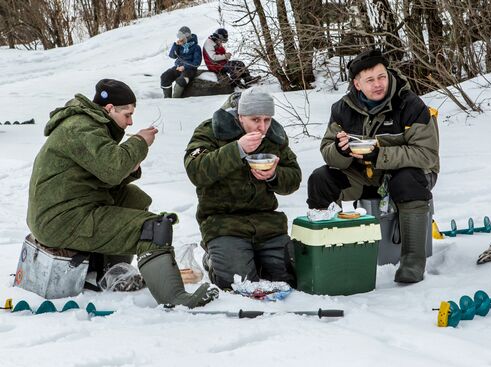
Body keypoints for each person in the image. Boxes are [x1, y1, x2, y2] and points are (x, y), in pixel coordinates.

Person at [26, 79, 218, 308]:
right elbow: (112, 169)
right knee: (153, 228)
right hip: (61, 219)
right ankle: (176, 299)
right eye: (127, 114)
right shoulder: (80, 127)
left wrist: (130, 165)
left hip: (67, 207)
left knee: (134, 197)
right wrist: (138, 142)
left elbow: (102, 175)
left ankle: (112, 273)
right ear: (109, 109)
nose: (130, 121)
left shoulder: (88, 124)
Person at [307, 49, 440, 283]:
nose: (378, 84)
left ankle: (412, 261)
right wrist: (341, 150)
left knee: (406, 178)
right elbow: (328, 151)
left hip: (413, 176)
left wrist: (380, 155)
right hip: (364, 176)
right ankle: (327, 252)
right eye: (370, 80)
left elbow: (426, 155)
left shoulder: (410, 105)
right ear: (357, 84)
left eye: (382, 77)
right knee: (321, 179)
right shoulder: (342, 109)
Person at [184, 88, 301, 290]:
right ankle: (212, 259)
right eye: (255, 120)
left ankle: (256, 260)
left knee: (291, 276)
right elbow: (196, 171)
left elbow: (294, 177)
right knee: (236, 283)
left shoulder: (274, 137)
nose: (262, 127)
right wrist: (237, 149)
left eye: (267, 120)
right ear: (240, 116)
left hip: (267, 223)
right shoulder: (211, 130)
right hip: (223, 222)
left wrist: (274, 175)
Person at [160, 26, 202, 98]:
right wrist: (175, 45)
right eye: (178, 36)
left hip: (190, 70)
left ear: (187, 36)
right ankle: (167, 99)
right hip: (178, 67)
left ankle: (175, 100)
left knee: (181, 81)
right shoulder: (180, 46)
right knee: (165, 76)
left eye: (181, 36)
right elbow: (172, 56)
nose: (179, 39)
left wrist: (184, 67)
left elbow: (196, 63)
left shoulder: (196, 47)